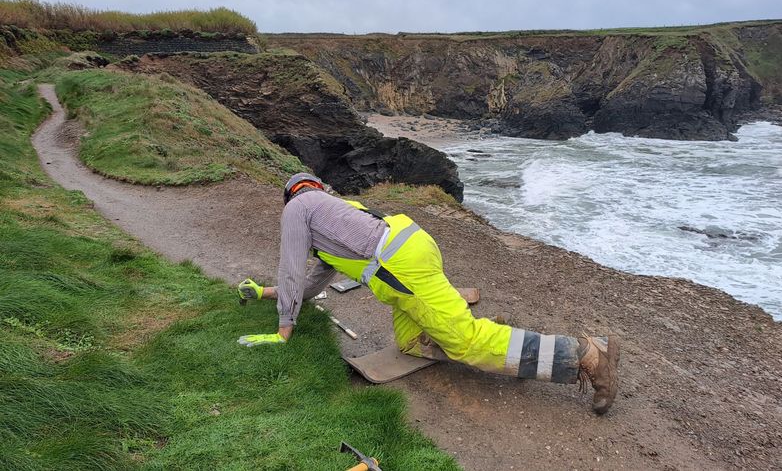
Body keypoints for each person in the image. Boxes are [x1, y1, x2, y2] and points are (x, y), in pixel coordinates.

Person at [236, 173, 620, 414]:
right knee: (410, 343)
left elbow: (290, 268)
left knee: (464, 342)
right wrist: (267, 293)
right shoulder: (333, 209)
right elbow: (310, 280)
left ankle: (585, 355)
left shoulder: (297, 209)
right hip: (411, 249)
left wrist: (284, 328)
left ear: (291, 196)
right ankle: (494, 334)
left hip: (402, 268)